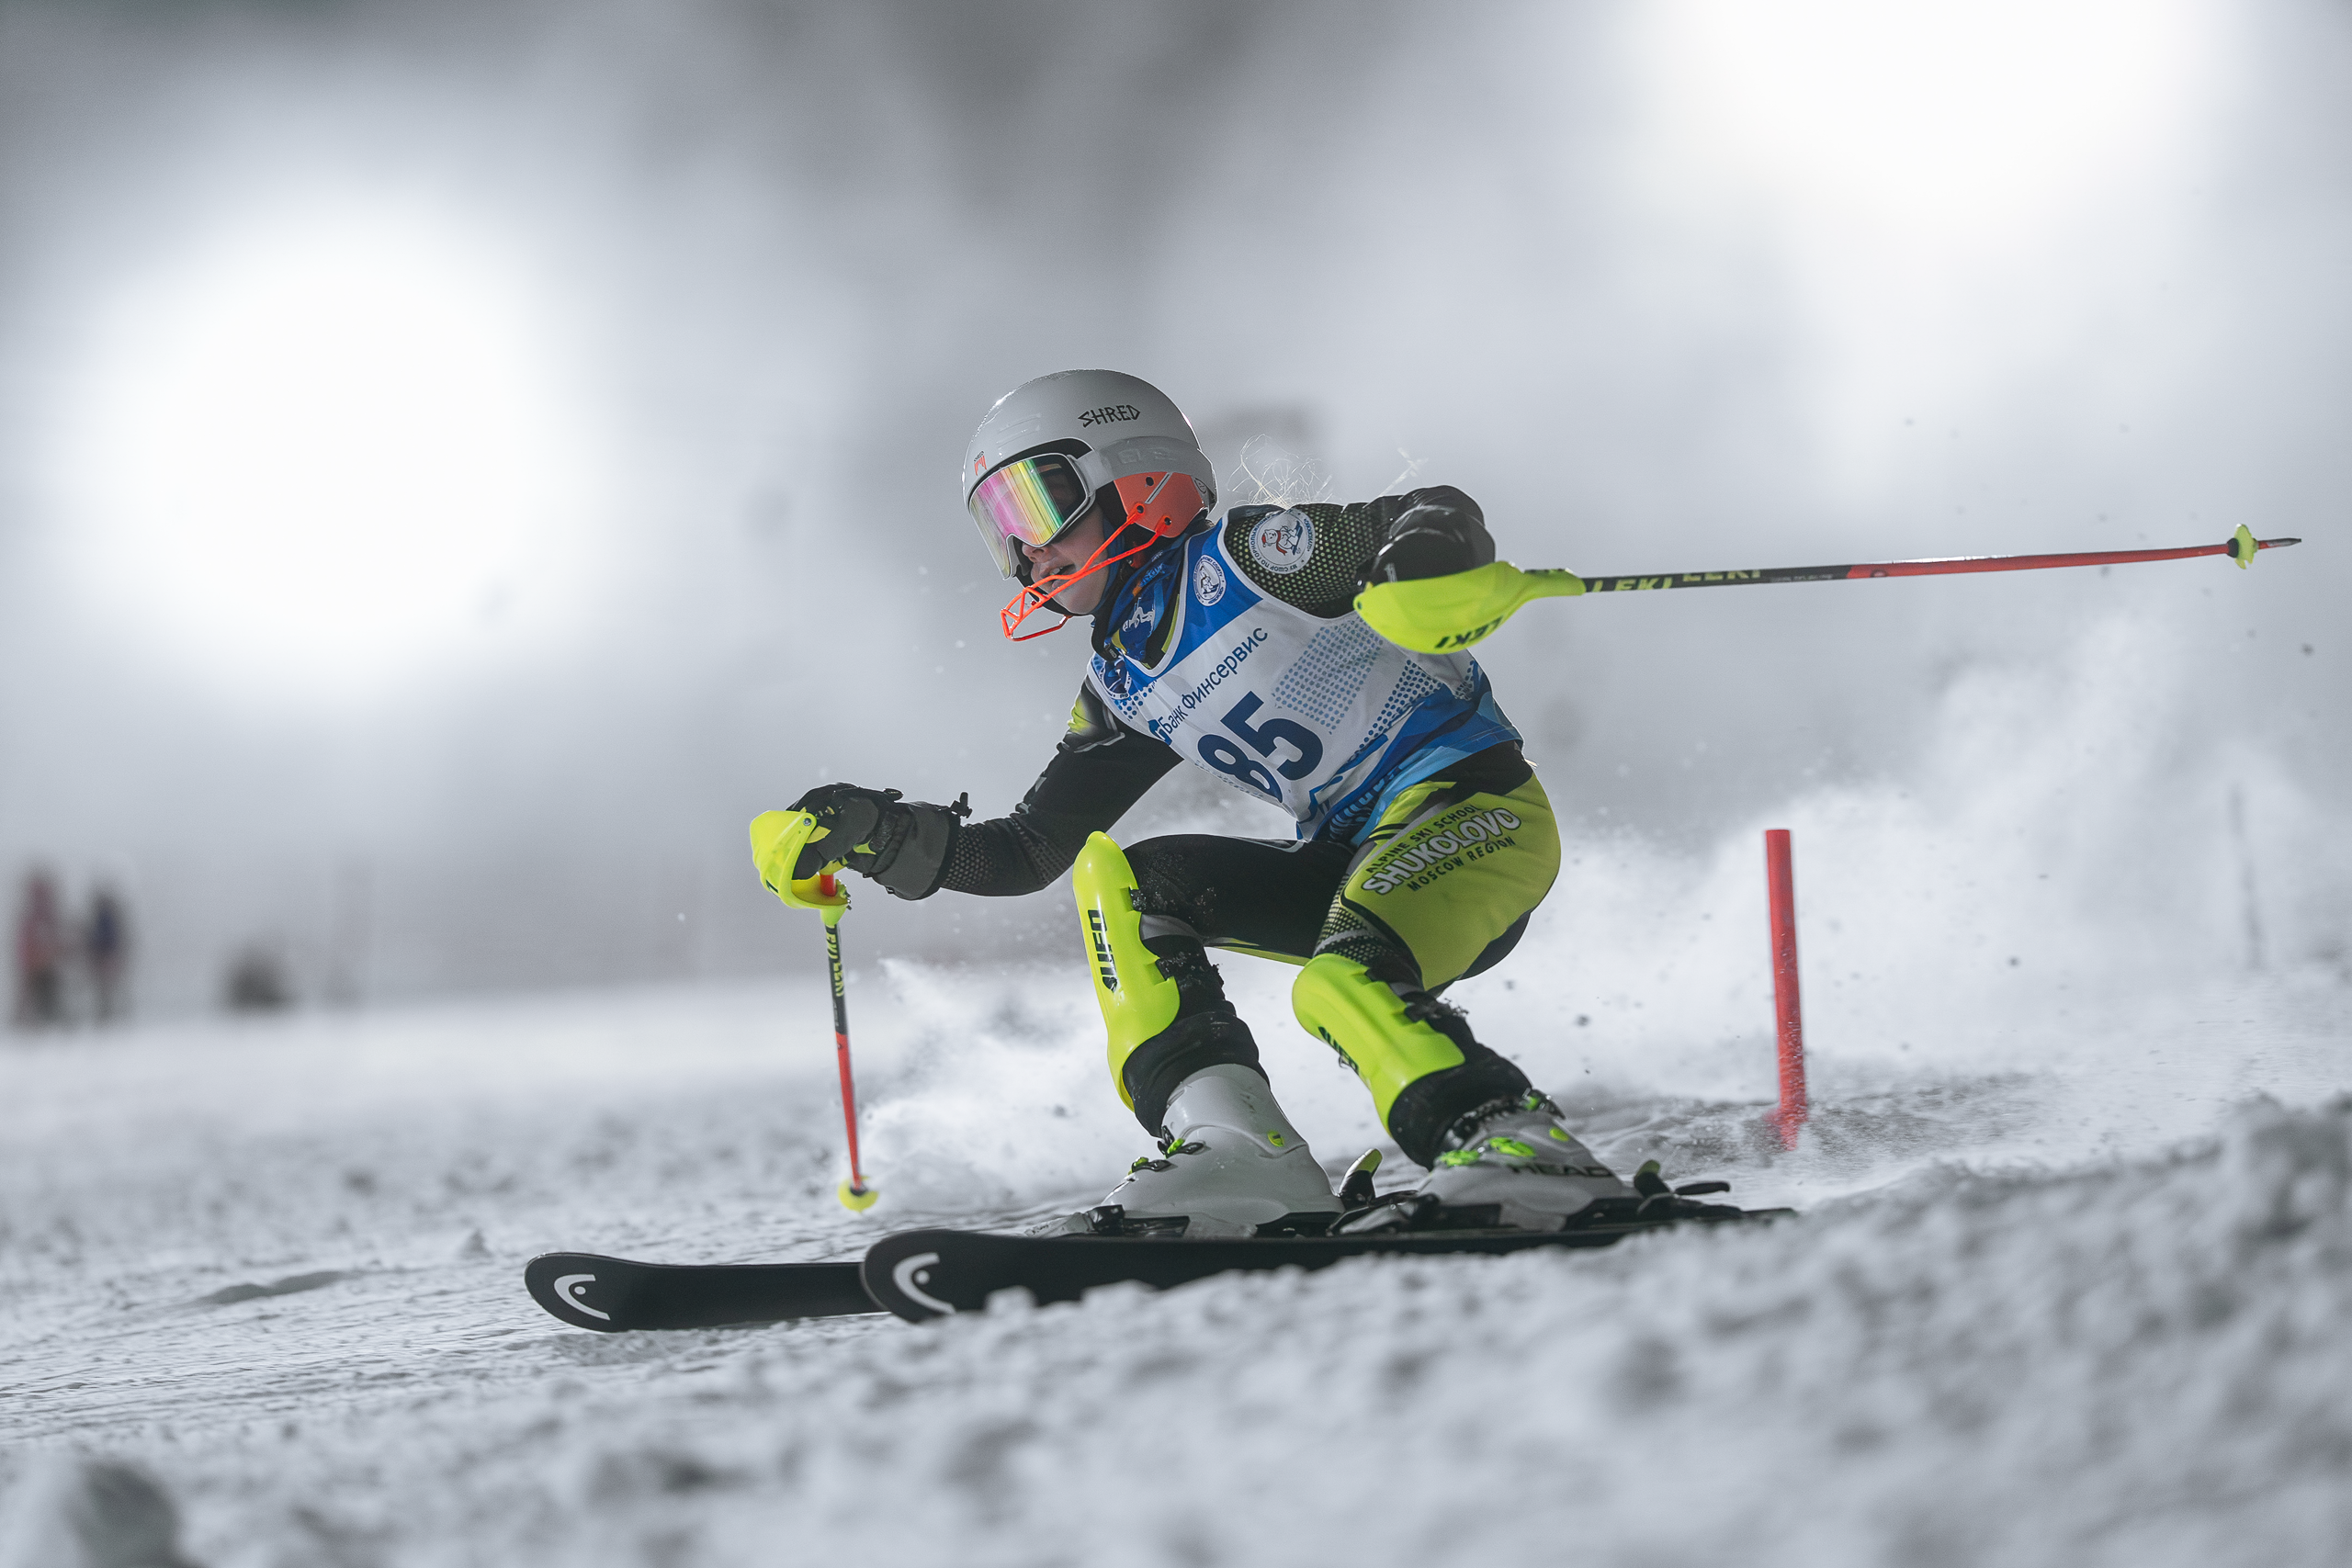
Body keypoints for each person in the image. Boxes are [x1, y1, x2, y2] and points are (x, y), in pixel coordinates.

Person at [752, 369, 1629, 1235]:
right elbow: (1028, 850)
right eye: (1000, 530)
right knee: (1134, 885)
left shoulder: (1246, 562)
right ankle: (1237, 1147)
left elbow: (1413, 515)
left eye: (1034, 504)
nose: (1025, 552)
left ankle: (1512, 1139)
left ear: (1135, 476)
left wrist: (1427, 557)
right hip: (1358, 856)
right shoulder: (1123, 681)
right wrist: (873, 835)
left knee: (1340, 982)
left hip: (1472, 813)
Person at [13, 871, 67, 1028]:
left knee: (44, 1006)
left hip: (43, 967)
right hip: (37, 967)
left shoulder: (43, 917)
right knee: (37, 1005)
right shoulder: (36, 918)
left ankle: (36, 1028)